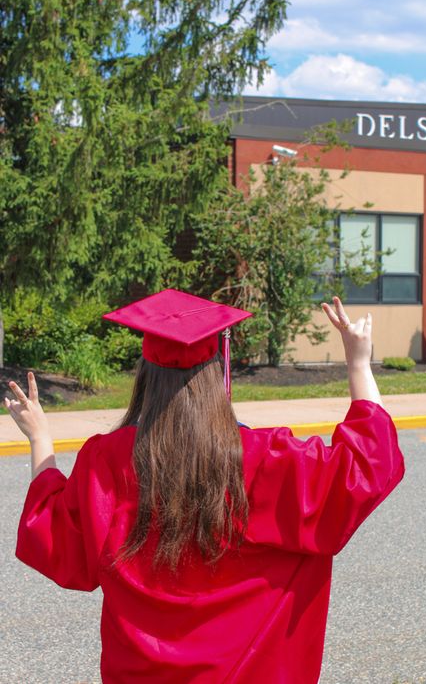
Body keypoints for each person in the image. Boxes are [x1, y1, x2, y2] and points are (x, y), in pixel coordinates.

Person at [6, 291, 404, 684]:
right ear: (219, 369)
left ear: (145, 375)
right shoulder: (264, 459)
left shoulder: (108, 463)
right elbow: (367, 467)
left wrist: (40, 438)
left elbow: (54, 538)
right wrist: (358, 363)